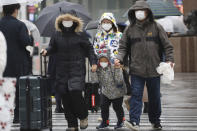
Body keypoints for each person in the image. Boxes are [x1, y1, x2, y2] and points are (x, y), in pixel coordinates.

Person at [115, 0, 174, 130]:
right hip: (137, 70)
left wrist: (170, 60)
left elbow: (167, 46)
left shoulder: (156, 27)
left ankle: (155, 121)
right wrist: (119, 58)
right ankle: (134, 121)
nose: (139, 13)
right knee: (136, 95)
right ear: (133, 13)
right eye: (137, 11)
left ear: (148, 12)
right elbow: (123, 47)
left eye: (142, 10)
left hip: (155, 69)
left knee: (154, 97)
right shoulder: (129, 29)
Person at [41, 11, 97, 131]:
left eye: (69, 20)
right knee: (65, 97)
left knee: (75, 93)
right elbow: (52, 47)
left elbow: (89, 48)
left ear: (74, 21)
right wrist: (46, 51)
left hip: (77, 68)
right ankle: (72, 124)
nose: (66, 22)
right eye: (64, 20)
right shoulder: (56, 34)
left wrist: (93, 62)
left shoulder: (80, 34)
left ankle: (83, 116)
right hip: (61, 70)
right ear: (60, 21)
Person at [0, 3, 33, 123]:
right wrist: (29, 36)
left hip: (3, 63)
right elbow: (25, 42)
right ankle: (17, 116)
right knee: (19, 90)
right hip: (18, 63)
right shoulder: (20, 25)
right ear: (15, 10)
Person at [93, 13, 126, 130]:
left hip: (116, 71)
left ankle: (121, 120)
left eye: (108, 22)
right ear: (100, 24)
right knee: (103, 102)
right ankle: (105, 122)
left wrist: (121, 63)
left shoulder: (120, 35)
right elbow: (95, 51)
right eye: (103, 22)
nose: (106, 24)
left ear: (112, 23)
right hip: (103, 71)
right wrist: (95, 64)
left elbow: (124, 51)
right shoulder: (98, 36)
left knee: (117, 103)